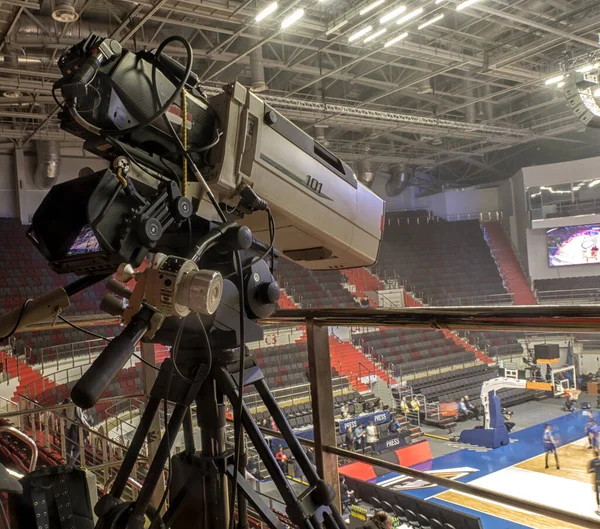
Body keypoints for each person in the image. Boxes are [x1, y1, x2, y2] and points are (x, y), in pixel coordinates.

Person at [64, 398, 90, 466]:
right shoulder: (75, 405)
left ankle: (68, 464)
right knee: (78, 448)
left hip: (68, 427)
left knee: (69, 448)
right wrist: (88, 427)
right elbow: (80, 417)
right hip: (75, 428)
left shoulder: (66, 405)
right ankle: (71, 464)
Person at [588, 451, 600, 516]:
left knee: (597, 494)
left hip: (596, 480)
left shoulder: (592, 462)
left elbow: (589, 471)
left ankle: (599, 509)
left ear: (593, 454)